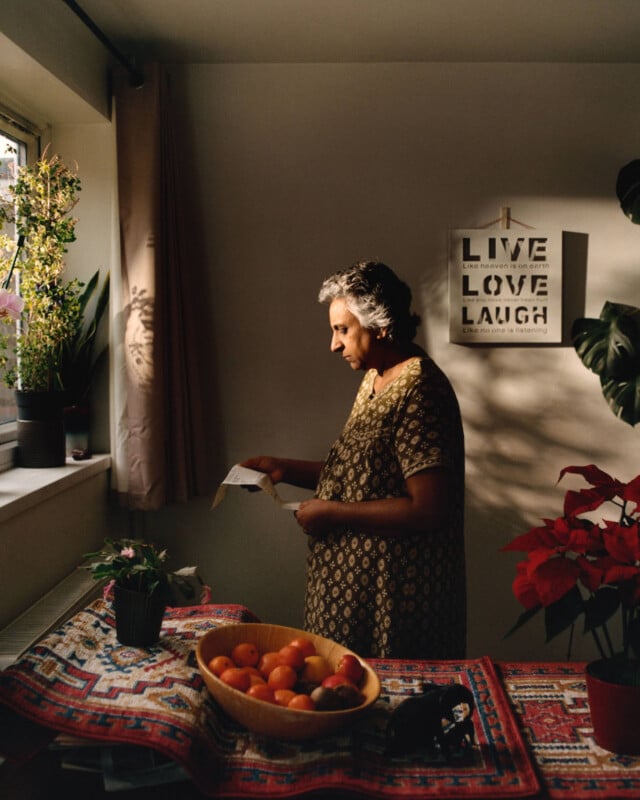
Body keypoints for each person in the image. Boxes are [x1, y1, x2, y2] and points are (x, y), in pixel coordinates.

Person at [242, 261, 466, 659]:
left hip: (393, 599)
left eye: (342, 330)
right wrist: (284, 469)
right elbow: (362, 476)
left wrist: (334, 513)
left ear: (380, 325)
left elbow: (429, 508)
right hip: (354, 595)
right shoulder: (375, 378)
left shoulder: (420, 387)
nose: (334, 345)